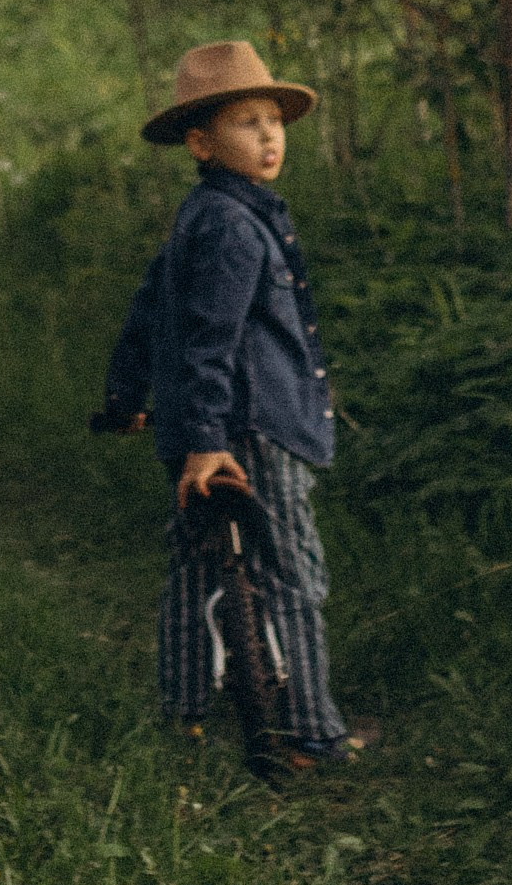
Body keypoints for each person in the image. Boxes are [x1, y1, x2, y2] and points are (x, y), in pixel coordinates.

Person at [137, 39, 369, 773]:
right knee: (290, 571)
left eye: (274, 120)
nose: (270, 136)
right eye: (246, 123)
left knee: (199, 568)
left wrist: (132, 397)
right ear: (201, 142)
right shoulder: (234, 226)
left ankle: (185, 715)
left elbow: (151, 313)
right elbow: (206, 339)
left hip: (216, 425)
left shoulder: (206, 214)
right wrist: (208, 438)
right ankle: (309, 728)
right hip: (251, 430)